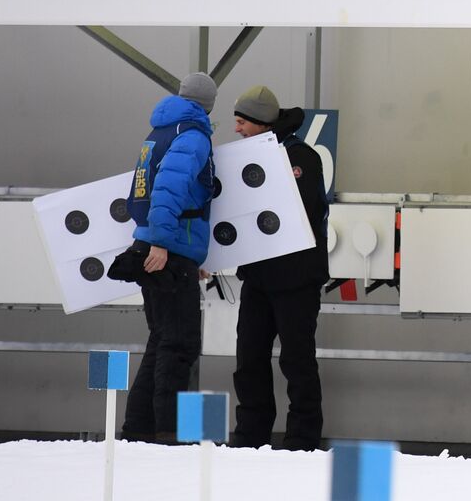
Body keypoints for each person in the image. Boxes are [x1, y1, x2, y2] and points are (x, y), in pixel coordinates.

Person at [229, 85, 329, 451]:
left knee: (296, 359)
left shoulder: (301, 157)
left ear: (260, 122)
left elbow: (302, 210)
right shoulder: (244, 158)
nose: (237, 129)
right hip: (258, 277)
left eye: (242, 122)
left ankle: (302, 438)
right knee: (249, 358)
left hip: (297, 279)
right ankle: (250, 435)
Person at [120, 71, 216, 444]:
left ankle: (139, 427)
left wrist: (188, 254)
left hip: (161, 246)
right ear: (208, 105)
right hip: (167, 249)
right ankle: (169, 434)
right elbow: (169, 190)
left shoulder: (160, 131)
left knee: (161, 339)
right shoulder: (192, 137)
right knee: (180, 344)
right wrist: (164, 244)